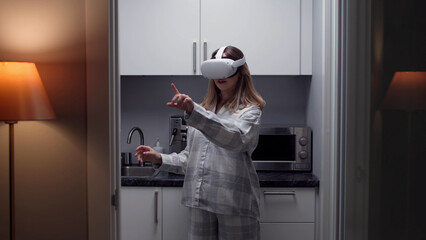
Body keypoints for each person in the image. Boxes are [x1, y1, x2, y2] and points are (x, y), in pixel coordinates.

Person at [135, 45, 266, 240]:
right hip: (200, 201)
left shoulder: (249, 111)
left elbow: (235, 139)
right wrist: (159, 158)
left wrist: (194, 112)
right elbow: (190, 160)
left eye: (226, 70)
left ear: (240, 72)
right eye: (215, 70)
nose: (220, 76)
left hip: (233, 202)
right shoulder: (204, 110)